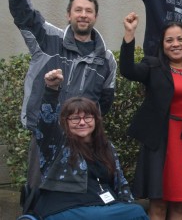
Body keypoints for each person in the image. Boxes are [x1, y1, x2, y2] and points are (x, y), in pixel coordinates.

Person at [9, 0, 117, 212]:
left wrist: (84, 126)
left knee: (80, 202)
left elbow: (105, 102)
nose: (83, 15)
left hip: (84, 140)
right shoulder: (48, 39)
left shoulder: (107, 59)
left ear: (95, 17)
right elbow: (23, 14)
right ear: (68, 14)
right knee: (38, 195)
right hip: (45, 137)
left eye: (88, 11)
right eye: (78, 10)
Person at [120, 13, 182, 220]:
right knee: (158, 204)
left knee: (180, 206)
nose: (175, 44)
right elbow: (127, 70)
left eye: (180, 39)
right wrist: (129, 34)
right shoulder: (153, 66)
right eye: (169, 40)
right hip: (161, 142)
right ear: (162, 44)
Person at [24, 69, 147, 220]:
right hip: (64, 207)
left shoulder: (106, 147)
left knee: (136, 212)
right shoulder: (56, 144)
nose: (82, 122)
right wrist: (51, 89)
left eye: (88, 117)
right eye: (75, 118)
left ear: (96, 120)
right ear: (65, 122)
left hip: (102, 204)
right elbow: (46, 122)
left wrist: (128, 204)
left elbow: (120, 182)